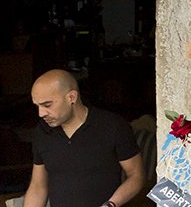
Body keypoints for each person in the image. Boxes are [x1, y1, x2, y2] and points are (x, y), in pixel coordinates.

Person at [25, 70, 144, 207]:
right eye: (37, 106)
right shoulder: (42, 132)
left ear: (72, 97)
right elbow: (38, 186)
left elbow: (136, 176)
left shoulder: (112, 126)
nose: (41, 113)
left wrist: (111, 204)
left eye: (47, 105)